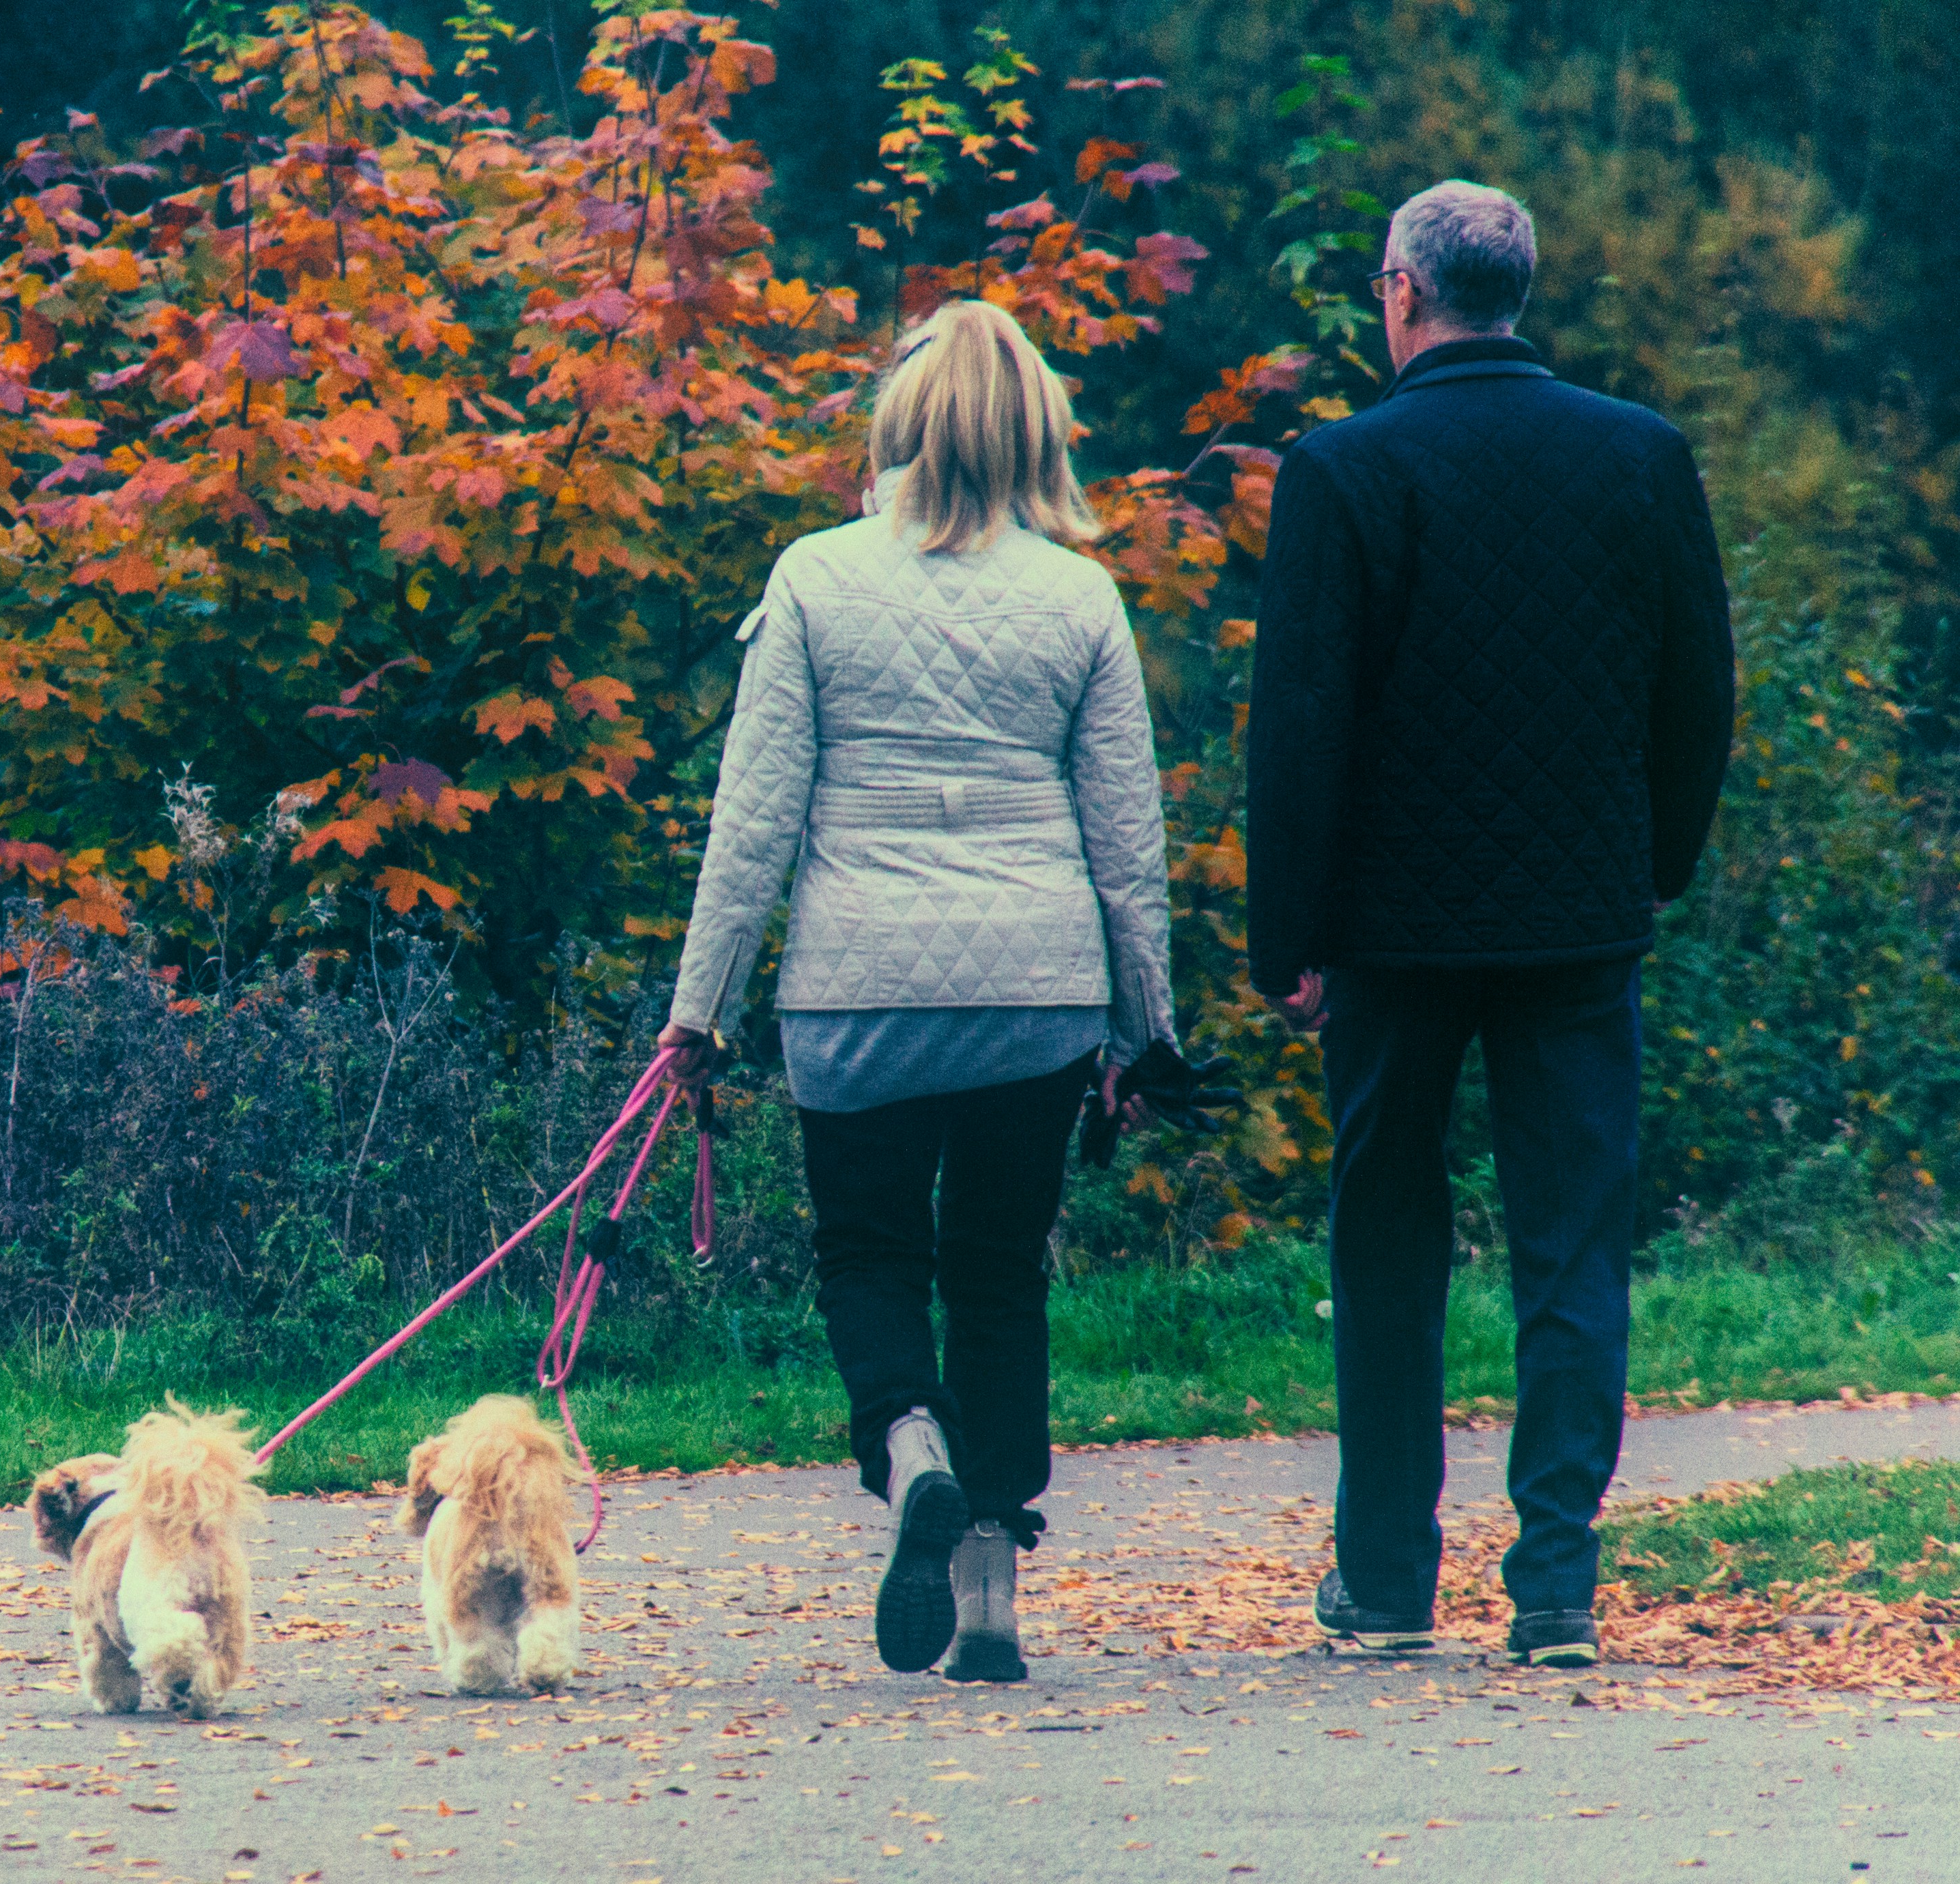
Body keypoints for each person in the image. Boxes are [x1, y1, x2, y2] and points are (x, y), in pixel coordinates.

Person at [1245, 181, 1735, 1669]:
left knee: (1387, 1237)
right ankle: (1557, 1585)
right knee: (1572, 1244)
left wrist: (1291, 937)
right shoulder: (1640, 455)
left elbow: (1301, 727)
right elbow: (1698, 692)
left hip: (1392, 930)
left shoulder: (1341, 469)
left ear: (1402, 292)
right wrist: (1653, 863)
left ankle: (1389, 1581)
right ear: (1518, 292)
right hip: (1579, 918)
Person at [654, 298, 1174, 1682]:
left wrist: (697, 1010)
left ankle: (910, 1445)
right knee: (1000, 1272)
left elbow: (752, 822)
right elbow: (1128, 844)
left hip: (856, 990)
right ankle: (992, 1604)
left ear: (895, 429)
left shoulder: (817, 576)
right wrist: (1145, 1029)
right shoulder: (1083, 596)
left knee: (871, 1254)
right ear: (1033, 435)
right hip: (1037, 993)